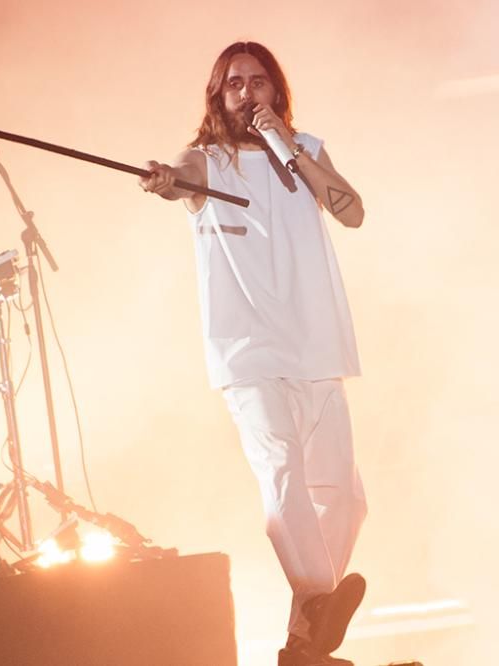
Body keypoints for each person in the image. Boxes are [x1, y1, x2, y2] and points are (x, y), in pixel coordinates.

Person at [140, 42, 368, 666]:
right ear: (219, 96)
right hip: (249, 352)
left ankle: (304, 641)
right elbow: (177, 178)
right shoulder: (208, 160)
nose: (247, 93)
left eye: (258, 82)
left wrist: (288, 144)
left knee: (345, 497)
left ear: (276, 91)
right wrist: (166, 181)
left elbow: (352, 214)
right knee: (283, 474)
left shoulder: (305, 150)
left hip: (317, 345)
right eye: (235, 83)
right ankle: (315, 604)